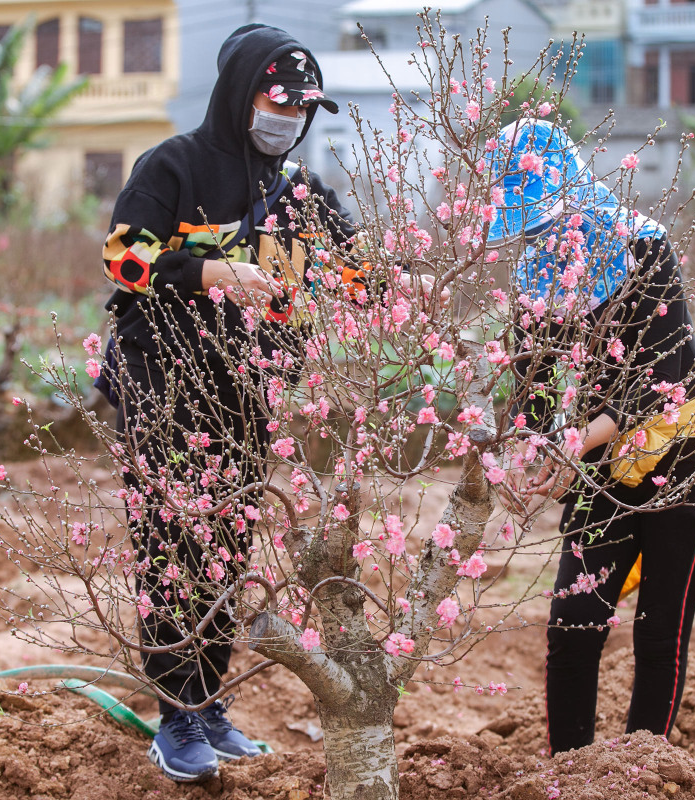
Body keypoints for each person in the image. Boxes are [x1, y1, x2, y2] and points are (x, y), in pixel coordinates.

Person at [100, 24, 417, 783]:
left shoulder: (297, 190)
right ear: (241, 94)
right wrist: (210, 275)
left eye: (303, 109)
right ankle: (175, 717)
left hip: (249, 399)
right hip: (167, 390)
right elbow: (123, 256)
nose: (291, 120)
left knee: (226, 551)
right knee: (172, 552)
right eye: (279, 103)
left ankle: (208, 705)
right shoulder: (174, 165)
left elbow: (354, 270)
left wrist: (405, 282)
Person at [488, 120, 695, 753]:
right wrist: (531, 449)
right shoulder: (536, 279)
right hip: (603, 454)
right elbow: (530, 384)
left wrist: (576, 442)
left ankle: (639, 774)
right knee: (572, 623)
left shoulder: (644, 248)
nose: (539, 235)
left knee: (658, 628)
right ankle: (572, 772)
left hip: (690, 449)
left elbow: (661, 380)